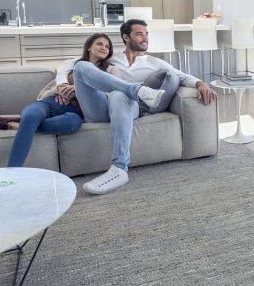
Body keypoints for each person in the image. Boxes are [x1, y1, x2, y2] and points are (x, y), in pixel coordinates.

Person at [61, 18, 216, 195]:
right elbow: (70, 64)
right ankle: (137, 90)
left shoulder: (154, 62)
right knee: (81, 66)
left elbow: (181, 76)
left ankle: (119, 169)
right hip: (99, 107)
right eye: (139, 34)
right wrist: (61, 83)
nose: (145, 38)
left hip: (128, 107)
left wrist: (200, 84)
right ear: (126, 37)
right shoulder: (111, 57)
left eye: (147, 34)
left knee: (120, 95)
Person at [0, 33, 115, 167]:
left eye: (107, 47)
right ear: (89, 47)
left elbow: (109, 92)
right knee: (31, 115)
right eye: (99, 44)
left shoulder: (109, 70)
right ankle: (12, 172)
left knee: (72, 124)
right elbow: (60, 77)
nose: (104, 48)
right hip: (51, 103)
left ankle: (22, 124)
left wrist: (79, 89)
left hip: (74, 112)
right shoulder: (72, 63)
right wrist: (62, 87)